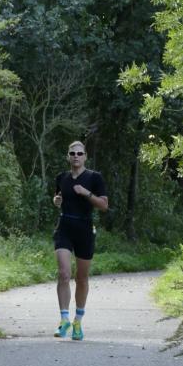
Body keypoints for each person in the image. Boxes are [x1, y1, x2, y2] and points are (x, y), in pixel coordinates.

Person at [51, 140, 108, 340]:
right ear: (68, 156)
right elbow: (58, 198)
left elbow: (103, 205)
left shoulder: (94, 177)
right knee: (64, 274)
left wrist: (86, 193)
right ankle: (64, 319)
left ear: (85, 157)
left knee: (81, 278)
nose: (76, 156)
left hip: (84, 229)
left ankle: (78, 321)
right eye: (72, 153)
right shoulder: (62, 177)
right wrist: (56, 201)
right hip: (64, 227)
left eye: (79, 153)